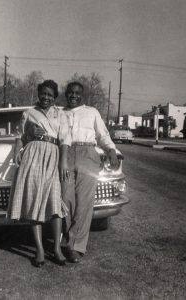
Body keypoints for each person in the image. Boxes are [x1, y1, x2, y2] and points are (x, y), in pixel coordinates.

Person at [9, 80, 70, 267]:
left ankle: (57, 249)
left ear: (55, 97)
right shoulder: (29, 113)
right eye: (43, 93)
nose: (46, 97)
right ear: (39, 94)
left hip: (53, 154)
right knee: (34, 200)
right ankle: (40, 250)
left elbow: (65, 140)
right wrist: (17, 153)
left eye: (50, 95)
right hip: (32, 155)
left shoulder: (60, 114)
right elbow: (20, 137)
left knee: (55, 203)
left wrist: (63, 162)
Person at [62, 81, 119, 263]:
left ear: (82, 95)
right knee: (65, 199)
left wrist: (111, 151)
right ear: (66, 94)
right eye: (70, 92)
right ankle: (70, 238)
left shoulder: (92, 112)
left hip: (88, 154)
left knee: (84, 202)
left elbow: (103, 135)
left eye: (77, 93)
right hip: (65, 154)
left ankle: (75, 246)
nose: (73, 96)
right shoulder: (59, 113)